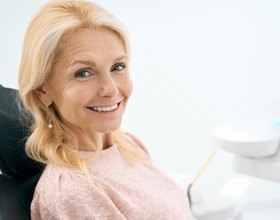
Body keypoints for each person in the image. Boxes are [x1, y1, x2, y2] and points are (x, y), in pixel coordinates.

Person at [18, 0, 195, 219]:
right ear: (42, 91)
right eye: (83, 73)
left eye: (117, 67)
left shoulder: (128, 145)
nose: (111, 89)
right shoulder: (73, 193)